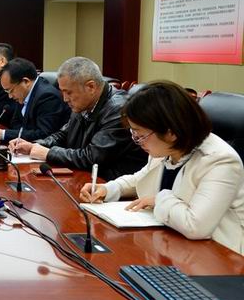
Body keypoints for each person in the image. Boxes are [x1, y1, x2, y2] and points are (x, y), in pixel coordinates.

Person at [79, 81, 244, 255]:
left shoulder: (220, 161)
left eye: (141, 135)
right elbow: (141, 178)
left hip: (217, 256)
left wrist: (159, 199)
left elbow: (195, 226)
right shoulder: (166, 148)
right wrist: (108, 189)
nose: (137, 141)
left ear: (171, 132)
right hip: (172, 242)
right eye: (134, 134)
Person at [9, 56, 146, 180]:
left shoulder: (119, 109)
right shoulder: (83, 103)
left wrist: (49, 153)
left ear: (91, 87)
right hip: (84, 176)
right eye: (62, 92)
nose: (65, 99)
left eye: (68, 92)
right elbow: (63, 134)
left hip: (111, 185)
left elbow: (93, 157)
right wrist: (34, 145)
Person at [0, 58, 70, 143]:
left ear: (26, 81)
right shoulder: (23, 93)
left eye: (11, 91)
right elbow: (15, 123)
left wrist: (3, 134)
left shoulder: (47, 96)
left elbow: (44, 134)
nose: (10, 96)